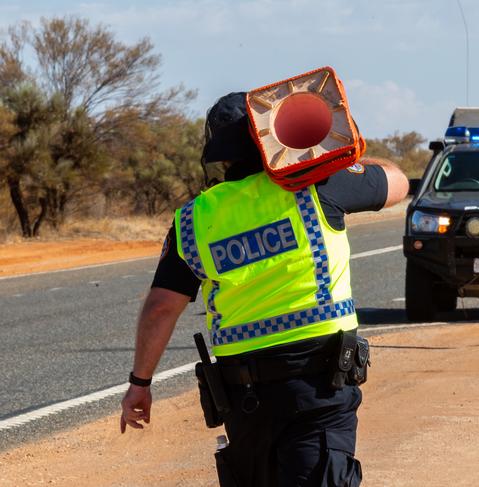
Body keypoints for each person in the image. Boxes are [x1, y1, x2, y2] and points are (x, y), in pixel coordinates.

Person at [119, 91, 409, 486]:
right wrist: (341, 157)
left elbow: (160, 307)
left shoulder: (195, 218)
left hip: (245, 400)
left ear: (221, 155)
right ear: (271, 139)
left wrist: (140, 383)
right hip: (319, 388)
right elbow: (397, 182)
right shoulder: (316, 186)